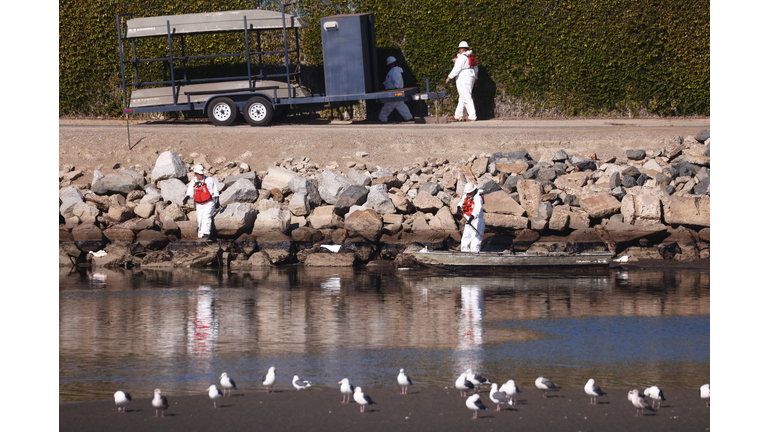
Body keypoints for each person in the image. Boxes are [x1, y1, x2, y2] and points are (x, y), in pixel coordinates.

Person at [183, 164, 220, 240]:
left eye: (202, 174)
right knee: (200, 219)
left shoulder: (209, 180)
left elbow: (215, 189)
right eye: (200, 174)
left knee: (206, 217)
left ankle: (206, 233)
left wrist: (217, 199)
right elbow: (190, 192)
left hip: (209, 202)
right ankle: (200, 235)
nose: (201, 175)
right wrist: (187, 197)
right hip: (199, 204)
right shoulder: (193, 182)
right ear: (196, 174)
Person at [445, 41, 478, 122]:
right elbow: (476, 69)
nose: (459, 50)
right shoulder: (471, 57)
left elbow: (456, 68)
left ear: (462, 49)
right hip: (471, 76)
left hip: (463, 77)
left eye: (459, 49)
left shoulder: (462, 57)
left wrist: (449, 77)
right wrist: (476, 78)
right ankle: (458, 115)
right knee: (463, 96)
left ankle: (472, 116)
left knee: (466, 96)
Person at [379, 56, 414, 123]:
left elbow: (396, 81)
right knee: (401, 106)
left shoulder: (394, 70)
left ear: (391, 64)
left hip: (393, 92)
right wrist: (383, 84)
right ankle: (409, 118)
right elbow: (389, 81)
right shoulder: (394, 70)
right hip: (395, 91)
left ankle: (382, 119)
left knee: (388, 106)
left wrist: (395, 89)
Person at [457, 182, 485, 252]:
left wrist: (472, 217)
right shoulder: (466, 196)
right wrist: (458, 207)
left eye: (469, 193)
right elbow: (461, 202)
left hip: (477, 221)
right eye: (467, 193)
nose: (468, 195)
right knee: (466, 237)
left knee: (475, 239)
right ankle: (465, 253)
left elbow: (477, 209)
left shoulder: (478, 198)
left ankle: (475, 255)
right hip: (468, 220)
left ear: (473, 191)